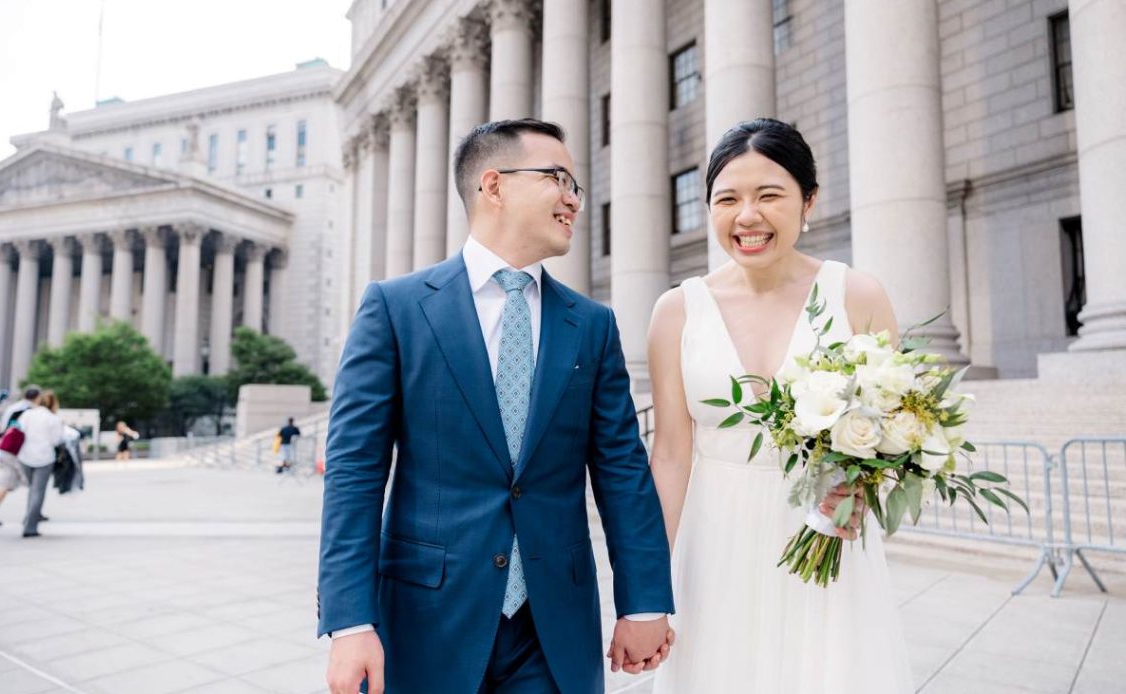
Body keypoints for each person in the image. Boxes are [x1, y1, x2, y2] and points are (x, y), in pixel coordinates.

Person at [319, 119, 675, 694]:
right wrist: (350, 621)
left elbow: (622, 471)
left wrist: (644, 602)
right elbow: (354, 473)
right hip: (425, 621)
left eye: (577, 187)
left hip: (553, 631)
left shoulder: (592, 325)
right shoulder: (396, 308)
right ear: (494, 185)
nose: (574, 200)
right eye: (558, 179)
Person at [646, 118, 914, 693]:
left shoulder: (857, 295)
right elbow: (669, 455)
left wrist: (860, 490)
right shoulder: (677, 311)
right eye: (728, 199)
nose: (747, 216)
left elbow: (896, 425)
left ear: (808, 200)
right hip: (714, 541)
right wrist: (647, 587)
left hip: (823, 534)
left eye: (769, 195)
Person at [0, 386, 40, 528]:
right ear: (37, 397)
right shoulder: (27, 410)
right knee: (5, 483)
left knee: (6, 483)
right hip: (12, 451)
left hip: (6, 449)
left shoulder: (15, 407)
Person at [16, 390, 65, 538]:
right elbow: (56, 440)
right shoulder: (53, 418)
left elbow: (19, 430)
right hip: (44, 458)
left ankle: (28, 518)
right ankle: (30, 527)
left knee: (32, 489)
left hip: (25, 456)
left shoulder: (27, 414)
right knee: (38, 491)